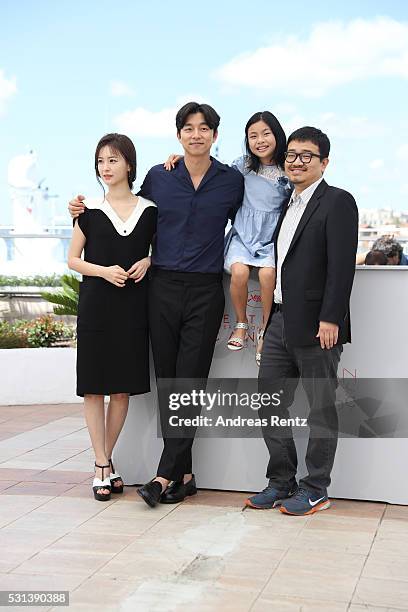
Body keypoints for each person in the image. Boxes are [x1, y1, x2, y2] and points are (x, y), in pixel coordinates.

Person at [69, 103, 244, 508]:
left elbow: (252, 223)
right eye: (188, 128)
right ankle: (184, 474)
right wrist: (81, 213)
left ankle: (164, 475)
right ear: (178, 135)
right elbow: (128, 214)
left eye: (204, 129)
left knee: (191, 383)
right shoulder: (159, 177)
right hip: (161, 288)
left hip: (205, 289)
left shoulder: (232, 181)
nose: (196, 134)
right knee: (170, 383)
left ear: (215, 136)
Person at [245, 126, 358, 516]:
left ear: (324, 162)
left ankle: (316, 488)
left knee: (321, 409)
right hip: (280, 321)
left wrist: (331, 319)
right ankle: (282, 481)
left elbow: (341, 268)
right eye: (291, 155)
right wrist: (268, 321)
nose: (296, 161)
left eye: (306, 155)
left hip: (318, 326)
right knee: (268, 402)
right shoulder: (286, 205)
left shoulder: (338, 202)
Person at [67, 133, 157, 501]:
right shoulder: (86, 213)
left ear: (129, 165)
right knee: (93, 388)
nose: (106, 168)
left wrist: (149, 261)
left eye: (113, 160)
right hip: (95, 307)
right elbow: (73, 259)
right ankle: (101, 463)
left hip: (133, 308)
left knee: (121, 390)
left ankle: (107, 459)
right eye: (101, 161)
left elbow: (159, 250)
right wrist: (104, 271)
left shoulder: (149, 210)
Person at [165, 111, 291, 366]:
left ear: (278, 135)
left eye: (266, 134)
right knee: (239, 273)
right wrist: (185, 159)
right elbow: (214, 170)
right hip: (244, 235)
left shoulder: (286, 170)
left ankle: (266, 331)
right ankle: (242, 324)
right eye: (253, 136)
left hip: (269, 238)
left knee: (268, 275)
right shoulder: (242, 165)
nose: (260, 140)